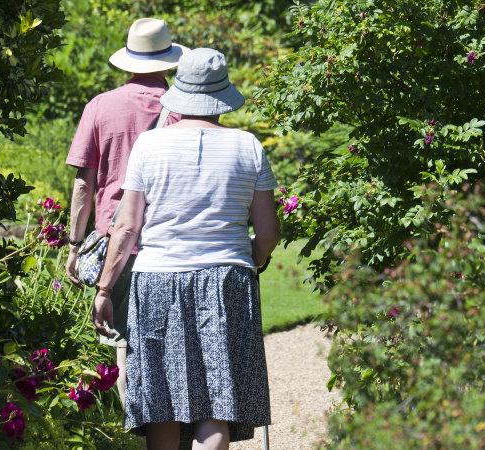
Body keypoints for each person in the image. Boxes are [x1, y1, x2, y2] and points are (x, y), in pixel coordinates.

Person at [92, 48, 280, 450]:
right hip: (226, 279)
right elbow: (267, 232)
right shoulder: (248, 146)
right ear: (222, 95)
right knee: (216, 399)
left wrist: (105, 289)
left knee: (162, 401)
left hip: (157, 278)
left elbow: (126, 227)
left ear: (179, 90)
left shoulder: (149, 145)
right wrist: (254, 259)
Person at [65, 18, 188, 403]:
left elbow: (84, 183)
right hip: (169, 242)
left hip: (117, 242)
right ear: (168, 62)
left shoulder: (101, 106)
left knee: (127, 348)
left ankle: (134, 433)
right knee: (173, 344)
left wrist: (74, 244)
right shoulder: (184, 111)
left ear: (127, 62)